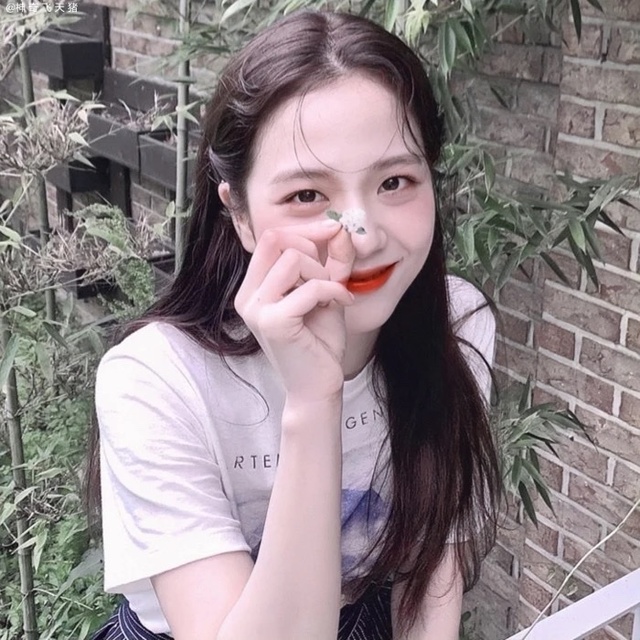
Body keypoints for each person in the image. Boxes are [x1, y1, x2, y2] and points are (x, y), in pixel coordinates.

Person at [86, 8, 501, 640]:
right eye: (307, 195)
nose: (362, 237)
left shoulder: (457, 325)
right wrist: (313, 400)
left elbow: (430, 572)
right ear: (240, 214)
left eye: (395, 180)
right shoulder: (155, 379)